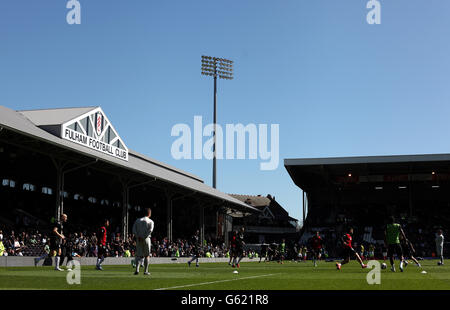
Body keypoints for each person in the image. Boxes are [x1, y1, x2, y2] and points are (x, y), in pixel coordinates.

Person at [132, 208, 154, 275]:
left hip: (138, 239)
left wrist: (138, 236)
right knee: (147, 255)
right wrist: (144, 237)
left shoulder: (137, 220)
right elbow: (150, 230)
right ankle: (145, 271)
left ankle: (137, 270)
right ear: (149, 213)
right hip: (146, 239)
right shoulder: (150, 221)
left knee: (138, 255)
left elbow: (133, 230)